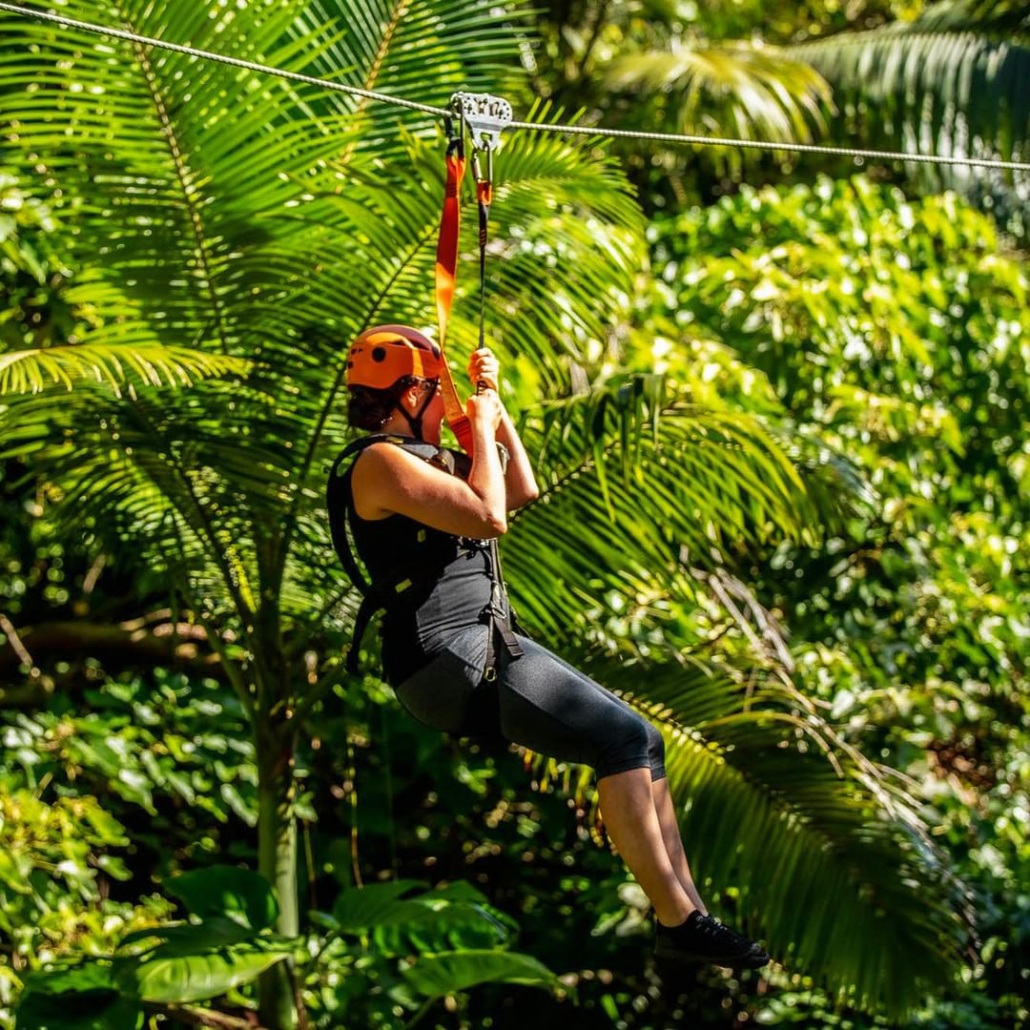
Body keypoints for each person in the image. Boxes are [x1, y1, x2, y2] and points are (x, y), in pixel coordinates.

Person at [326, 324, 769, 970]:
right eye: (435, 391)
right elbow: (489, 515)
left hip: (482, 648)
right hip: (447, 660)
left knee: (642, 740)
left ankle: (689, 915)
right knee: (617, 740)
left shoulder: (427, 461)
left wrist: (496, 415)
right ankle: (677, 921)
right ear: (409, 394)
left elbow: (520, 490)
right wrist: (475, 425)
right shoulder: (378, 463)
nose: (444, 403)